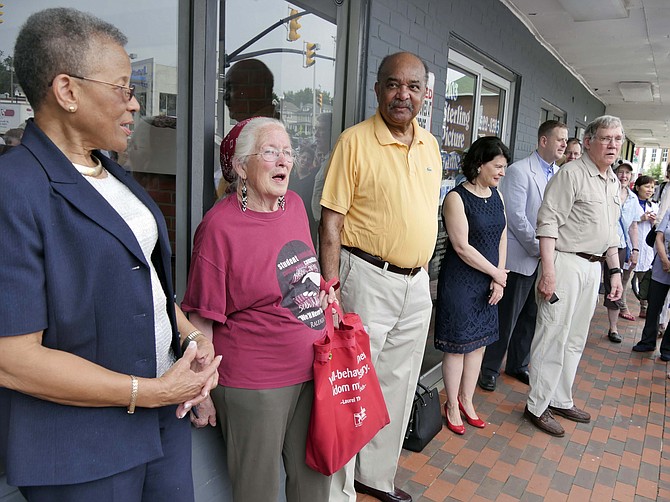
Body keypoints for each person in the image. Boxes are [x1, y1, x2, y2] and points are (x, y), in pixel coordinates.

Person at [0, 8, 221, 501]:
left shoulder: (113, 173)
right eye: (122, 87)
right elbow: (11, 358)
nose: (135, 103)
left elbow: (148, 285)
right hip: (84, 452)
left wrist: (190, 341)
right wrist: (149, 392)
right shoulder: (15, 187)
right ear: (68, 91)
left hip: (164, 420)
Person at [181, 117, 335, 502]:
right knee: (259, 491)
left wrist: (322, 294)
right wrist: (202, 388)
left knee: (315, 482)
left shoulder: (296, 206)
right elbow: (202, 316)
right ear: (240, 166)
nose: (284, 161)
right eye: (270, 152)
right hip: (256, 384)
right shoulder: (219, 227)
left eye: (288, 152)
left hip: (313, 369)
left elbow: (300, 272)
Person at [319, 52, 441, 502]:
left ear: (425, 94)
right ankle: (340, 492)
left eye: (412, 86)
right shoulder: (354, 142)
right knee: (352, 386)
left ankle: (375, 477)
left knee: (398, 384)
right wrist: (330, 291)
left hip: (416, 284)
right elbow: (330, 221)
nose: (402, 95)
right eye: (393, 85)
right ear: (378, 90)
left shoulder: (430, 146)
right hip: (364, 278)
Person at [525, 115, 623, 437]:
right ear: (590, 140)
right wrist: (549, 271)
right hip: (565, 263)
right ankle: (537, 406)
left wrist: (615, 273)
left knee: (575, 338)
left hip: (593, 268)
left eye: (618, 139)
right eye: (606, 138)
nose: (612, 145)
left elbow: (611, 235)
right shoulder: (571, 174)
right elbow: (548, 222)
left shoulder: (611, 181)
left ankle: (560, 398)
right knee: (552, 334)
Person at [479, 120, 567, 392]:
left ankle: (518, 364)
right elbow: (515, 217)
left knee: (530, 317)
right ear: (543, 141)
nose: (564, 144)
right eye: (559, 139)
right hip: (521, 257)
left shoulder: (559, 174)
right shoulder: (519, 171)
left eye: (566, 140)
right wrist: (540, 248)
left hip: (543, 260)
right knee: (507, 318)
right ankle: (489, 368)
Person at [436, 136, 509, 434]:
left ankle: (468, 399)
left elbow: (503, 236)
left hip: (490, 280)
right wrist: (496, 273)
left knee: (478, 346)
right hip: (461, 282)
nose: (502, 172)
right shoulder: (456, 198)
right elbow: (461, 247)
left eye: (504, 167)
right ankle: (451, 403)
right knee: (457, 347)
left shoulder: (497, 196)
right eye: (498, 166)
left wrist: (498, 276)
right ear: (480, 164)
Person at [603, 161, 642, 343]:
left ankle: (613, 327)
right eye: (621, 172)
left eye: (627, 173)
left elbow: (633, 226)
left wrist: (635, 249)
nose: (624, 176)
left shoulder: (633, 199)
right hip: (599, 243)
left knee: (615, 285)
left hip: (619, 245)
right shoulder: (606, 190)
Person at [633, 210, 670, 360]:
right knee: (654, 305)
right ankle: (648, 341)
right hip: (661, 266)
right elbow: (659, 237)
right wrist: (665, 261)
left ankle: (667, 348)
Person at [631, 175, 658, 318]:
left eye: (652, 187)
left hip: (647, 248)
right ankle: (622, 307)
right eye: (647, 186)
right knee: (625, 276)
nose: (650, 190)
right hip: (632, 244)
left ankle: (644, 307)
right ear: (637, 187)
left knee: (644, 278)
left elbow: (659, 227)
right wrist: (641, 219)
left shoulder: (654, 205)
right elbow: (628, 220)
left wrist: (653, 222)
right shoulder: (631, 201)